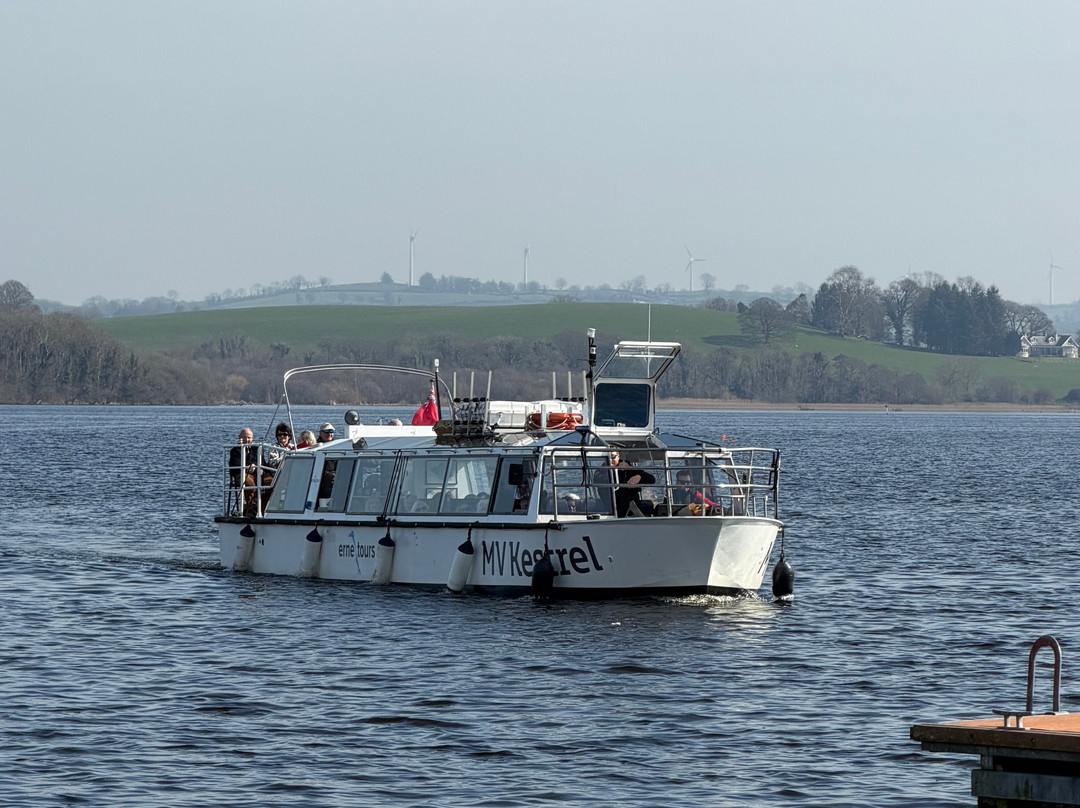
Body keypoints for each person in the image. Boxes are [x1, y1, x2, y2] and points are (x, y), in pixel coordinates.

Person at [612, 450, 656, 517]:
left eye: (612, 456)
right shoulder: (602, 471)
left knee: (649, 506)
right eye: (607, 457)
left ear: (618, 456)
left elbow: (652, 479)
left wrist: (639, 477)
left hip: (632, 507)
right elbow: (601, 479)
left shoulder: (630, 469)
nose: (610, 460)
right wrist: (617, 470)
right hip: (611, 507)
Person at [228, 428, 258, 516]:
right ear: (239, 438)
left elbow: (259, 461)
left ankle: (261, 506)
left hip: (255, 473)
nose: (247, 440)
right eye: (245, 437)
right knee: (249, 482)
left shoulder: (255, 449)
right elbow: (235, 465)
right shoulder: (235, 450)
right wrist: (246, 469)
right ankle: (250, 507)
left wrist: (255, 466)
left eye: (249, 437)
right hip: (241, 474)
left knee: (269, 481)